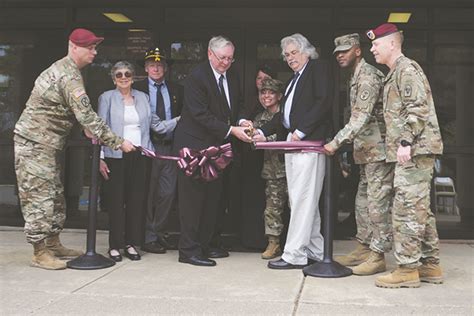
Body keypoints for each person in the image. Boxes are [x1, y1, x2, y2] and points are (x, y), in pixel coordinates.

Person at [13, 28, 135, 270]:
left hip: (46, 144)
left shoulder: (68, 71)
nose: (94, 52)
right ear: (74, 47)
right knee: (40, 198)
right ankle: (39, 252)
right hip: (34, 144)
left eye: (94, 47)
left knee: (56, 195)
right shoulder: (68, 76)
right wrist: (119, 142)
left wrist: (85, 127)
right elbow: (88, 116)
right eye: (90, 47)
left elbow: (75, 115)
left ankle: (53, 243)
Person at [367, 23, 444, 288]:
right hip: (413, 149)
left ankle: (408, 269)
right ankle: (430, 264)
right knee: (420, 208)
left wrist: (405, 141)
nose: (372, 49)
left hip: (414, 149)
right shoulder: (395, 73)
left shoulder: (406, 69)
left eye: (375, 44)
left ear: (391, 44)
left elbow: (418, 107)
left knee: (406, 209)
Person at [255, 33, 333, 269]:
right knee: (303, 200)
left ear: (306, 51)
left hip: (307, 144)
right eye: (287, 55)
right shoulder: (292, 80)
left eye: (294, 53)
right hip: (293, 145)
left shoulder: (317, 69)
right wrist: (261, 132)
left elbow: (323, 101)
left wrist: (301, 131)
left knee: (301, 200)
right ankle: (315, 250)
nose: (290, 58)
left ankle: (294, 254)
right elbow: (281, 116)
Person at [173, 35, 252, 267]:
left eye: (230, 58)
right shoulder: (196, 78)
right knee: (192, 201)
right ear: (209, 54)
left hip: (217, 150)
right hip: (194, 148)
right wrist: (232, 130)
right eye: (222, 58)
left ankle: (206, 245)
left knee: (213, 200)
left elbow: (238, 105)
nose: (226, 62)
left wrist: (243, 120)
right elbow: (200, 115)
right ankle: (188, 250)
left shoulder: (233, 76)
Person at [324, 33, 393, 275]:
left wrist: (336, 142)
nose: (340, 55)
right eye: (337, 52)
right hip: (365, 152)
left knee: (377, 205)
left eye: (345, 50)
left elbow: (360, 118)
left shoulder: (367, 77)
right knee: (362, 202)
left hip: (378, 151)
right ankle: (364, 247)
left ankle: (378, 255)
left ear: (358, 51)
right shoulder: (354, 77)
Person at [98, 61, 178, 262]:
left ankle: (131, 244)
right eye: (119, 74)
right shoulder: (106, 98)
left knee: (136, 202)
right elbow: (100, 130)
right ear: (113, 78)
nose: (123, 77)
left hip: (141, 155)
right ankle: (114, 246)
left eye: (127, 74)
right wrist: (99, 158)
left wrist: (181, 119)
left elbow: (157, 126)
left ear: (133, 77)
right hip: (114, 156)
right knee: (117, 203)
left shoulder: (143, 98)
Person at [134, 47, 183, 254]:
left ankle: (159, 231)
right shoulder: (137, 89)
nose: (156, 68)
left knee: (167, 193)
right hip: (148, 147)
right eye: (152, 65)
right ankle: (148, 236)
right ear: (146, 68)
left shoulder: (177, 89)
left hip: (170, 147)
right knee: (149, 193)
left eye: (159, 65)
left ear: (165, 68)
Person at [252, 78, 288, 259]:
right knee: (273, 209)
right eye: (263, 92)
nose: (266, 96)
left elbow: (290, 137)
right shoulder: (259, 119)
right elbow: (253, 141)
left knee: (297, 206)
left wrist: (267, 140)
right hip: (273, 171)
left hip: (292, 167)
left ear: (279, 96)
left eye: (271, 92)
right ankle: (273, 244)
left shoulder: (288, 114)